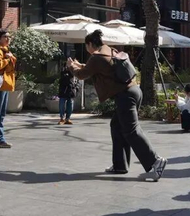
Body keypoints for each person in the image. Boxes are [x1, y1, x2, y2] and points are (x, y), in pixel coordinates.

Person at [67, 30, 167, 181]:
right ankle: (120, 165)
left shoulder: (96, 57)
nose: (86, 49)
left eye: (86, 46)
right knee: (117, 126)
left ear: (90, 44)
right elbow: (96, 68)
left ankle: (155, 162)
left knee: (131, 130)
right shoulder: (109, 50)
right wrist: (78, 64)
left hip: (125, 96)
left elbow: (82, 74)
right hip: (133, 91)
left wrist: (71, 66)